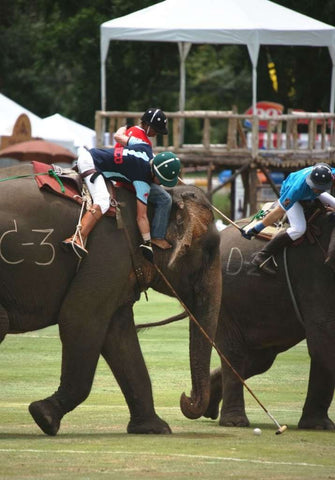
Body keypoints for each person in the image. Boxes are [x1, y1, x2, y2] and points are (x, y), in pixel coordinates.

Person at [62, 143, 180, 261]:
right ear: (155, 173)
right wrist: (147, 242)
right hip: (92, 165)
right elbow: (141, 217)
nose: (161, 184)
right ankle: (77, 238)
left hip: (93, 154)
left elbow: (126, 138)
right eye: (161, 181)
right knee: (103, 201)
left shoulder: (146, 149)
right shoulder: (142, 181)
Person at [242, 163, 335, 275]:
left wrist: (317, 191)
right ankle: (262, 255)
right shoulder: (296, 190)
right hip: (291, 192)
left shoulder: (330, 174)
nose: (316, 190)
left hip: (309, 192)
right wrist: (257, 228)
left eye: (319, 188)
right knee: (299, 229)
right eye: (314, 187)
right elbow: (278, 212)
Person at [114, 108, 173, 250]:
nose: (156, 133)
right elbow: (142, 169)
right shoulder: (141, 139)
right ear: (147, 125)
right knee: (165, 199)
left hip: (121, 175)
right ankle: (157, 236)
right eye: (155, 130)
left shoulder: (131, 131)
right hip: (131, 180)